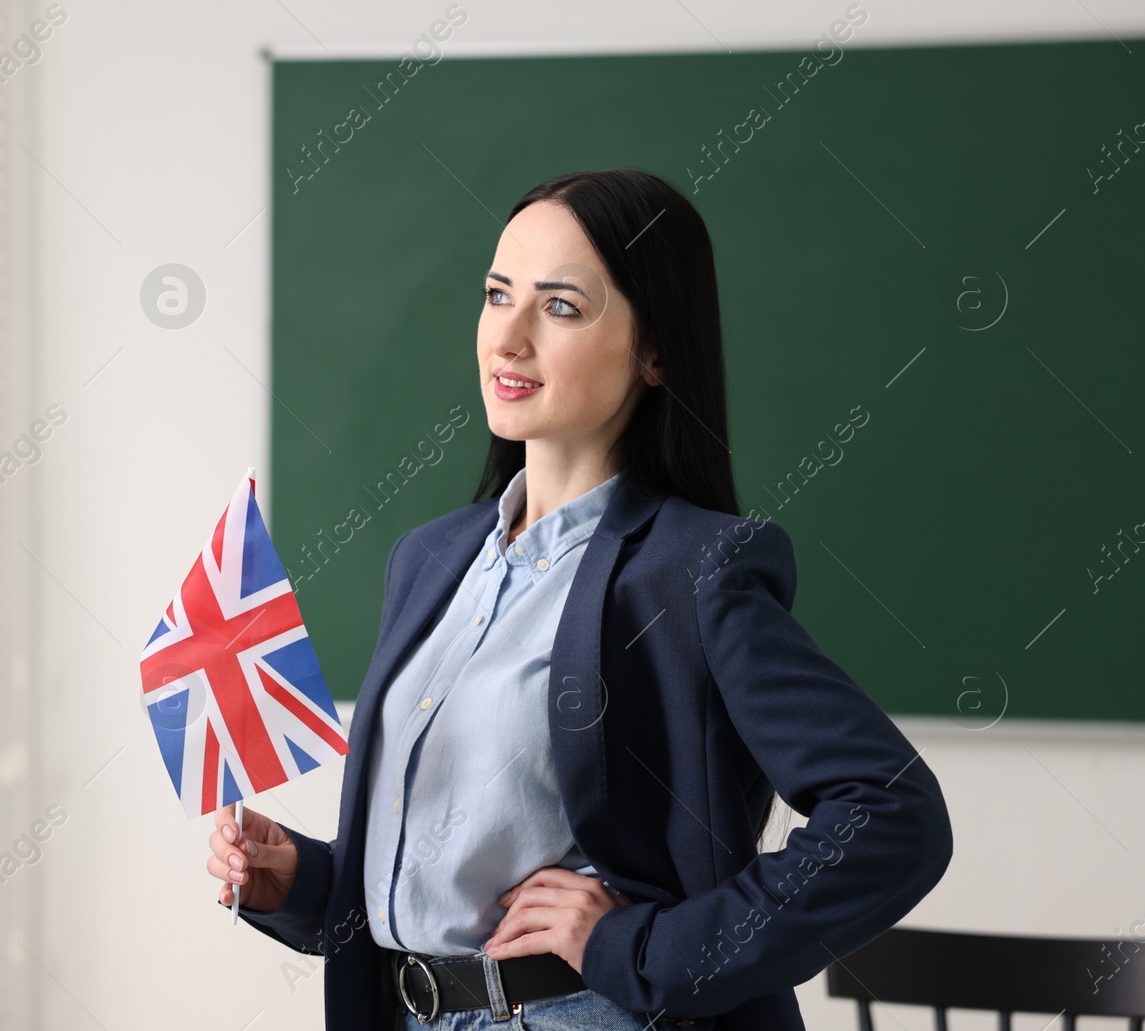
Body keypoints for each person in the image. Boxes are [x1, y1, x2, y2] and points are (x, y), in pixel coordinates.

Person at [204, 168, 953, 1030]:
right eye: (497, 295)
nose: (508, 338)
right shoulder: (429, 559)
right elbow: (450, 877)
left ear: (656, 350)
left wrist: (644, 946)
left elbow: (894, 814)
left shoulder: (697, 568)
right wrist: (302, 882)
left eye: (561, 306)